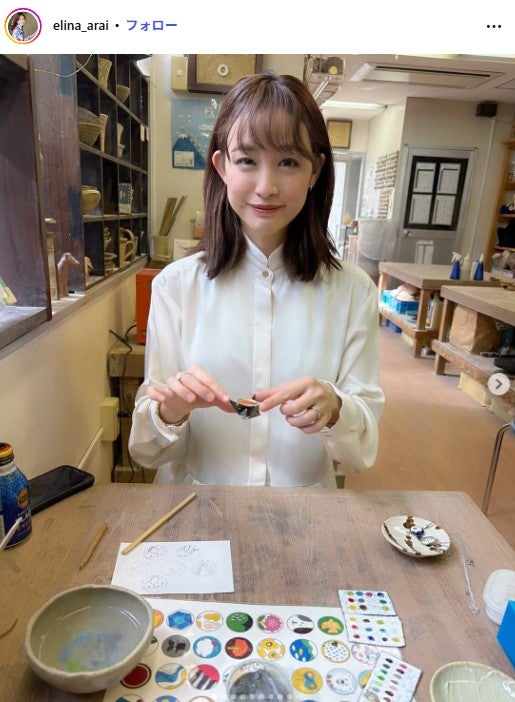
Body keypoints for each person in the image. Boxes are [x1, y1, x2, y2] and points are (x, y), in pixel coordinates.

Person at [129, 70, 384, 487]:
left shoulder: (353, 292)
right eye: (247, 160)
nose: (266, 187)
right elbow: (146, 451)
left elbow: (361, 451)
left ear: (315, 170)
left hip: (304, 512)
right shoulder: (175, 286)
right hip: (198, 508)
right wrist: (169, 411)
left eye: (288, 162)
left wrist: (336, 408)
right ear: (222, 166)